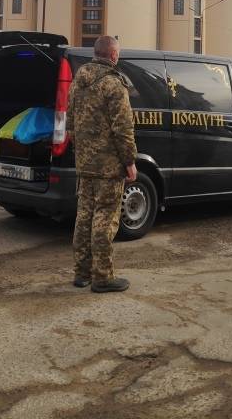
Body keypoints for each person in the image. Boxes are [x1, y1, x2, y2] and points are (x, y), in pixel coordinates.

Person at [67, 35, 137, 292]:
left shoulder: (78, 82)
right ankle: (103, 277)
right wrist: (129, 161)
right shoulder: (113, 84)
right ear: (113, 55)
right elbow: (123, 128)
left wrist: (82, 151)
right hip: (109, 166)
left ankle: (81, 273)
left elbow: (70, 122)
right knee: (105, 218)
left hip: (85, 164)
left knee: (84, 216)